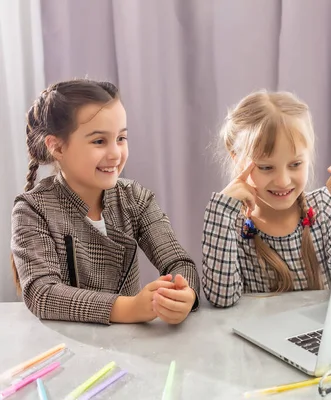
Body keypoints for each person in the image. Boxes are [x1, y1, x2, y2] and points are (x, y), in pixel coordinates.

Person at [10, 78, 200, 325]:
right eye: (99, 141)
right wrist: (129, 308)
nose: (115, 154)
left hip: (131, 347)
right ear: (57, 148)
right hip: (69, 347)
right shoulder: (33, 210)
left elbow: (177, 260)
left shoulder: (136, 199)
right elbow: (42, 294)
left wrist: (183, 293)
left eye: (121, 138)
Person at [202, 90, 331, 308]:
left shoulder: (324, 207)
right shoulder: (229, 223)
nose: (282, 181)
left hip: (316, 336)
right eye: (266, 167)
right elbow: (221, 298)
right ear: (237, 160)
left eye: (295, 165)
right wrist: (222, 210)